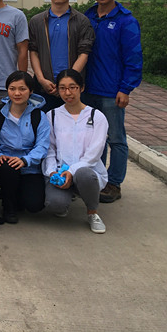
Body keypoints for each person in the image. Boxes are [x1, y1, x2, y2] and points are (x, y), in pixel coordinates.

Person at [82, 0, 143, 204]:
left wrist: (126, 89)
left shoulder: (125, 21)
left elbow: (133, 58)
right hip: (87, 90)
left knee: (116, 138)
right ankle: (96, 179)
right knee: (92, 138)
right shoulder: (87, 16)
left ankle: (114, 183)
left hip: (111, 91)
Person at [43, 69, 109, 234]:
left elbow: (95, 153)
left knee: (84, 174)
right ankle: (64, 199)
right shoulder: (52, 115)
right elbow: (50, 149)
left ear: (82, 88)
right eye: (63, 88)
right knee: (55, 204)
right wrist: (52, 171)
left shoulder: (97, 117)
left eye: (72, 87)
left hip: (87, 172)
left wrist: (72, 171)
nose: (68, 93)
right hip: (61, 172)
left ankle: (92, 212)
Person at [0, 71, 50, 223]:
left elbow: (42, 145)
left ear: (31, 91)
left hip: (29, 166)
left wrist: (25, 160)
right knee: (8, 169)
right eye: (12, 88)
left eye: (22, 89)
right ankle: (8, 207)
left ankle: (16, 195)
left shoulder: (39, 116)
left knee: (34, 205)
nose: (17, 93)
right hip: (4, 164)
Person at [28, 0, 94, 112]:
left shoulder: (82, 21)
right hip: (44, 87)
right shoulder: (37, 21)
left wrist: (67, 83)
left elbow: (84, 53)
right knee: (43, 124)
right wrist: (41, 79)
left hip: (72, 90)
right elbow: (33, 52)